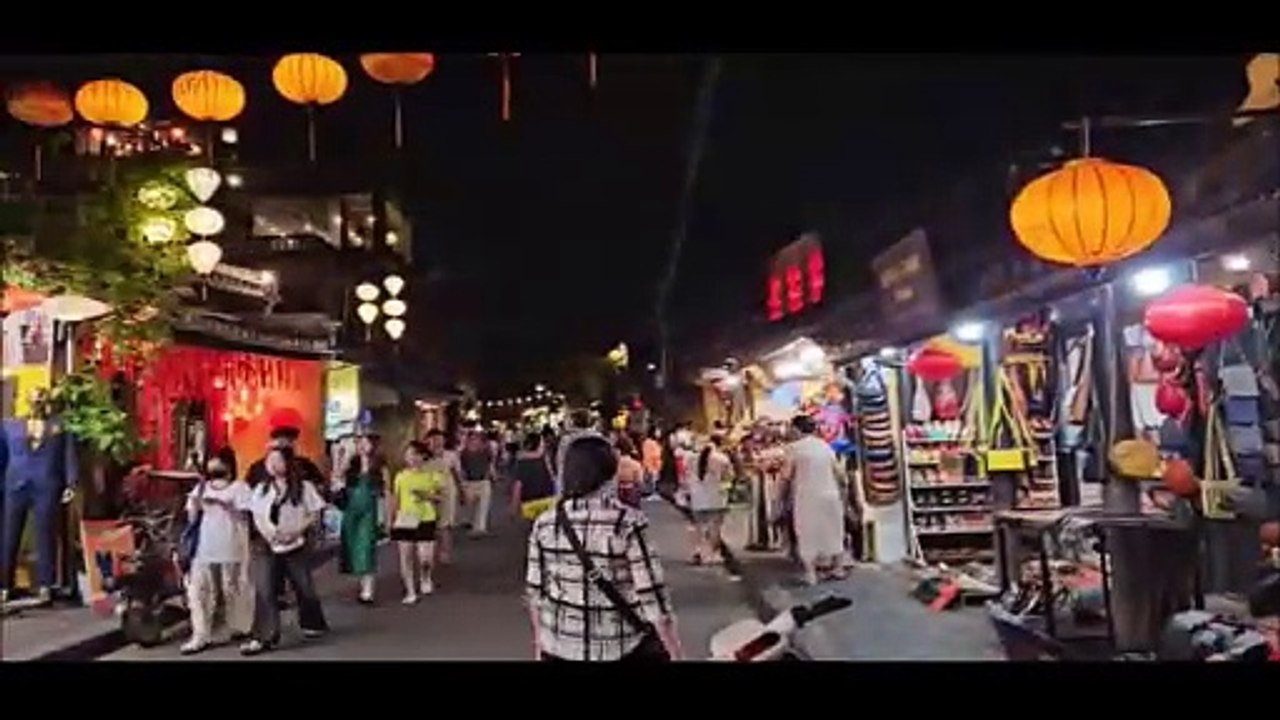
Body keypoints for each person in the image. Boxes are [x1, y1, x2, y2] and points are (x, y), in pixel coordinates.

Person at [525, 434, 683, 662]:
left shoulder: (546, 523)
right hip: (620, 645)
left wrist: (540, 645)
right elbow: (652, 596)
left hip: (560, 646)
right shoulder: (627, 522)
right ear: (610, 469)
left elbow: (536, 592)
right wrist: (675, 651)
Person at [241, 446, 329, 656]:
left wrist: (296, 531)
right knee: (265, 588)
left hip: (295, 542)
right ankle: (264, 636)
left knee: (303, 585)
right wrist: (270, 533)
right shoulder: (262, 489)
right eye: (269, 460)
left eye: (277, 460)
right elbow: (257, 515)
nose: (272, 465)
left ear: (287, 463)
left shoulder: (304, 487)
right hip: (266, 543)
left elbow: (314, 514)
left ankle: (312, 621)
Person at [180, 456, 253, 655]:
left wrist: (223, 504)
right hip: (204, 548)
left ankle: (239, 626)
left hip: (233, 546)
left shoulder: (239, 487)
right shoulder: (201, 488)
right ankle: (200, 634)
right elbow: (191, 517)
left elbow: (246, 514)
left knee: (233, 587)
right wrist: (197, 501)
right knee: (200, 591)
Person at [782, 415, 848, 585]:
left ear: (796, 429)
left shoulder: (793, 448)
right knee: (834, 529)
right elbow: (840, 474)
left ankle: (810, 573)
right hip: (830, 494)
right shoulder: (825, 446)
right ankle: (838, 568)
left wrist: (780, 499)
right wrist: (843, 493)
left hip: (807, 496)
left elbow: (785, 477)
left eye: (791, 428)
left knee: (807, 532)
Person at [389, 441, 445, 604]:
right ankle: (410, 591)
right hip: (406, 517)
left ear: (423, 456)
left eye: (416, 454)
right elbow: (395, 499)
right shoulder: (400, 476)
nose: (412, 458)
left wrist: (426, 496)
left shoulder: (433, 475)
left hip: (426, 517)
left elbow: (441, 497)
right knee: (405, 557)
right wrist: (391, 519)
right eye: (409, 454)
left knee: (425, 558)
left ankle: (425, 577)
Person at [334, 434, 386, 604]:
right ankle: (363, 584)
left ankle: (368, 590)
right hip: (351, 510)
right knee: (353, 549)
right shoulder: (352, 464)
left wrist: (386, 517)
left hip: (369, 512)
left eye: (366, 442)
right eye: (359, 443)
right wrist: (343, 457)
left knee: (366, 548)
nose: (362, 446)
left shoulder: (379, 466)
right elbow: (337, 478)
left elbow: (385, 492)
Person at [686, 435, 731, 564]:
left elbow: (687, 475)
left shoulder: (691, 458)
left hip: (697, 497)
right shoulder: (722, 459)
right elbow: (727, 477)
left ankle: (698, 551)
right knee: (714, 527)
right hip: (716, 497)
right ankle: (712, 554)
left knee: (698, 526)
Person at [424, 429, 460, 565]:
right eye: (433, 440)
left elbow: (456, 474)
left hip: (447, 493)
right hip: (428, 493)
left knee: (445, 525)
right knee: (429, 523)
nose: (436, 443)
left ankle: (445, 552)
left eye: (439, 440)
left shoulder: (451, 456)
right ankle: (429, 552)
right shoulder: (422, 457)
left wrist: (462, 491)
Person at [510, 432, 557, 522]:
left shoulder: (522, 462)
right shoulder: (546, 460)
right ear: (539, 445)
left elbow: (518, 486)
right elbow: (553, 478)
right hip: (546, 501)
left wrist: (514, 506)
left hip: (529, 502)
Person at [459, 431, 495, 536]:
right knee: (470, 505)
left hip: (483, 481)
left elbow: (490, 464)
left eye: (477, 439)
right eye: (472, 439)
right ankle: (472, 523)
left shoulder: (486, 452)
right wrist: (462, 482)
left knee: (484, 505)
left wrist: (490, 476)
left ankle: (480, 528)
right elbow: (461, 468)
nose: (475, 441)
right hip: (469, 482)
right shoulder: (463, 453)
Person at [613, 434, 645, 510]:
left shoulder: (613, 465)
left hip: (617, 495)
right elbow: (639, 482)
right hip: (632, 496)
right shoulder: (636, 465)